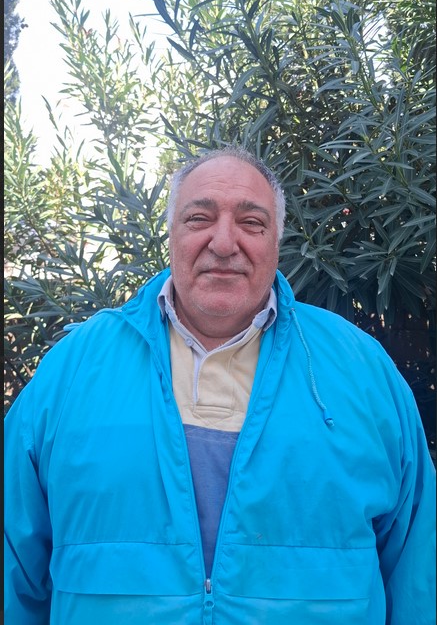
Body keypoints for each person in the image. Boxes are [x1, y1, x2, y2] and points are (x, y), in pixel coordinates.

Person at [4, 146, 436, 625]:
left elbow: (419, 572)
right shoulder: (72, 370)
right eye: (199, 218)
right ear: (171, 233)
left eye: (251, 222)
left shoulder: (361, 371)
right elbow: (12, 569)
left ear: (277, 241)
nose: (225, 242)